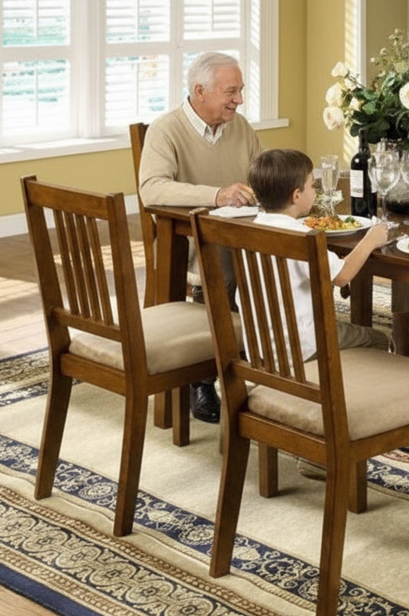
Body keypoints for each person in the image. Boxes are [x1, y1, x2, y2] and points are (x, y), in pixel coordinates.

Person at [138, 51, 263, 423]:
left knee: (292, 256)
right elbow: (151, 190)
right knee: (223, 263)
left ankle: (274, 365)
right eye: (231, 91)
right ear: (199, 91)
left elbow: (261, 175)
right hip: (193, 241)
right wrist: (217, 195)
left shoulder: (240, 127)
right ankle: (203, 377)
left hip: (242, 232)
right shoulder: (167, 129)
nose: (239, 100)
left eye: (240, 91)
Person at [248, 149, 390, 357]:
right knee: (378, 339)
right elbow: (341, 276)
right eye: (312, 185)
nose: (315, 191)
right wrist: (370, 240)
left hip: (261, 345)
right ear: (296, 195)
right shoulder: (302, 237)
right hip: (303, 345)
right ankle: (341, 387)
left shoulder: (249, 230)